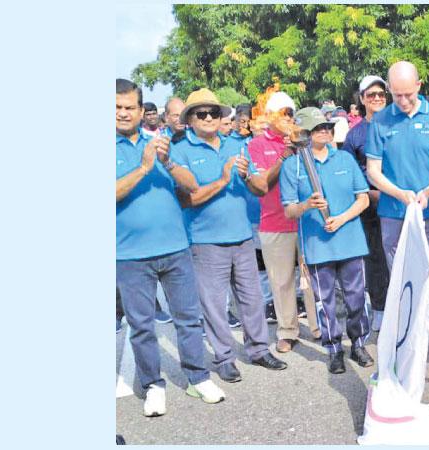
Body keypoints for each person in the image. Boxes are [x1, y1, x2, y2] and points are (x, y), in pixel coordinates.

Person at [116, 78, 225, 417]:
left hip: (176, 248)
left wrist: (167, 164)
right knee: (143, 325)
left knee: (189, 319)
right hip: (130, 255)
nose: (122, 113)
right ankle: (152, 385)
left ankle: (197, 376)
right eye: (116, 108)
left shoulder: (160, 143)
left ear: (140, 108)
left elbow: (192, 187)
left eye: (129, 107)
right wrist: (144, 167)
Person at [170, 87, 287, 384]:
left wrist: (250, 174)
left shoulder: (238, 146)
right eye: (201, 113)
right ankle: (224, 357)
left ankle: (259, 350)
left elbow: (261, 188)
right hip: (206, 241)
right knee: (214, 305)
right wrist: (224, 179)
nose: (209, 118)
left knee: (252, 298)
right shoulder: (180, 150)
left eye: (214, 112)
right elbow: (188, 199)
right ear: (190, 119)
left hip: (242, 236)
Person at [365, 61, 429, 363]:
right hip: (393, 213)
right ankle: (405, 337)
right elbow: (374, 172)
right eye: (396, 94)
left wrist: (428, 192)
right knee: (400, 276)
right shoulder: (380, 121)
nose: (402, 101)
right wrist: (400, 194)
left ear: (419, 86)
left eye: (407, 94)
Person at [281, 106, 373, 374]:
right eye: (318, 127)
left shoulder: (344, 159)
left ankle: (358, 343)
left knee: (356, 297)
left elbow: (363, 198)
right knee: (325, 301)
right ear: (306, 133)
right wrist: (307, 205)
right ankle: (333, 348)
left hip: (350, 240)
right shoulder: (293, 165)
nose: (325, 130)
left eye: (328, 127)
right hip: (317, 245)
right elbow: (289, 211)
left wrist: (342, 219)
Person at [248, 88, 322, 352]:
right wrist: (283, 157)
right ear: (269, 116)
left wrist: (300, 146)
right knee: (281, 282)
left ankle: (318, 326)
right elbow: (261, 184)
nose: (289, 118)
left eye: (292, 113)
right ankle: (287, 330)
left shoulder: (303, 140)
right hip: (274, 223)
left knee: (312, 278)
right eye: (284, 113)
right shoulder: (257, 144)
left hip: (306, 221)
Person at [341, 75, 392, 332]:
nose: (377, 98)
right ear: (362, 99)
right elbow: (350, 172)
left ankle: (404, 308)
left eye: (381, 94)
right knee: (376, 260)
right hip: (371, 207)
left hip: (399, 203)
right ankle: (380, 309)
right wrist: (368, 194)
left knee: (401, 256)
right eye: (371, 95)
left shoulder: (398, 125)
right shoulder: (355, 134)